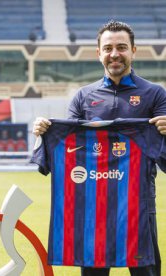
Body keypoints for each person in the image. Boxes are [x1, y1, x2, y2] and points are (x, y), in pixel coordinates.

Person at [33, 20, 166, 276]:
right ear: (99, 53)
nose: (114, 54)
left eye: (121, 47)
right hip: (91, 203)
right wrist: (43, 132)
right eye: (108, 48)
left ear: (133, 50)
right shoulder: (83, 96)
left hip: (138, 202)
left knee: (145, 272)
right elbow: (66, 146)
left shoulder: (155, 95)